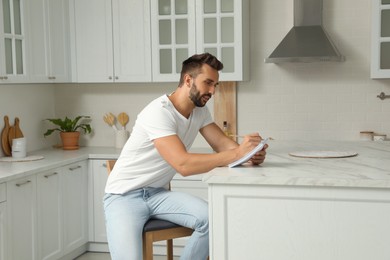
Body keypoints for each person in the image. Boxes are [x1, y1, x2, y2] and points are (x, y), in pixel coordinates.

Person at [104, 52, 268, 260]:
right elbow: (183, 164)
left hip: (157, 195)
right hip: (123, 197)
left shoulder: (199, 112)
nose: (212, 91)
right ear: (188, 80)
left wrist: (250, 154)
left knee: (213, 219)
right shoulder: (158, 112)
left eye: (215, 85)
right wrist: (237, 153)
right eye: (208, 83)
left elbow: (223, 146)